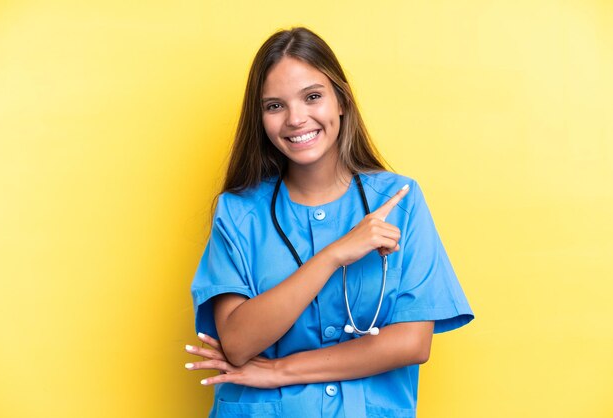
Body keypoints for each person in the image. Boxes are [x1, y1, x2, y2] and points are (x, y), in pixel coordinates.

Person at [186, 27, 474, 418]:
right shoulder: (238, 213)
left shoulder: (399, 201)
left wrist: (279, 370)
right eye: (275, 106)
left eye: (313, 97)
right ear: (261, 118)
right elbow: (236, 343)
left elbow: (411, 343)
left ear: (341, 101)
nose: (296, 119)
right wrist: (334, 254)